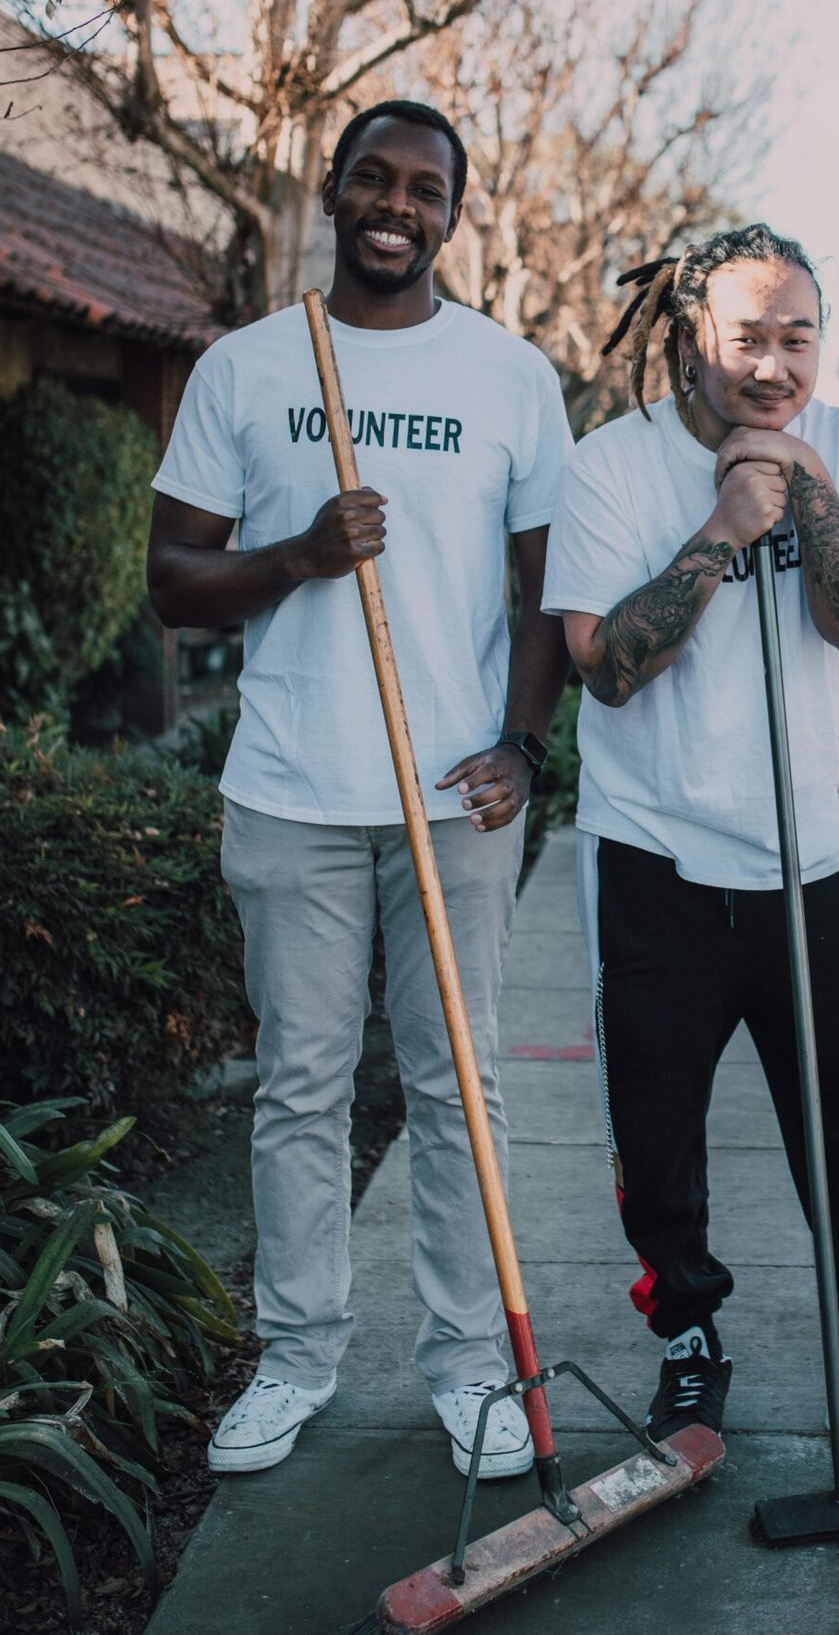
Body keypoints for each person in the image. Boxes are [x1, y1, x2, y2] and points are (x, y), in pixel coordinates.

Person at [147, 99, 573, 1481]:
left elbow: (539, 594)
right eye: (374, 180)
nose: (399, 205)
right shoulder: (253, 367)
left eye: (427, 189)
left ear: (455, 213)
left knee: (461, 1091)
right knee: (300, 1089)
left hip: (451, 799)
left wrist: (522, 749)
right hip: (291, 789)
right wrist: (297, 560)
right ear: (332, 191)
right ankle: (296, 1358)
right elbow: (171, 583)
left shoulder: (510, 377)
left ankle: (468, 1370)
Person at [540, 224, 839, 1476]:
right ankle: (689, 1342)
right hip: (654, 859)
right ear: (694, 338)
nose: (772, 364)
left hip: (812, 860)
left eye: (796, 336)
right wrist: (723, 531)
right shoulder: (608, 469)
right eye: (744, 336)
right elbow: (604, 670)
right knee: (658, 1136)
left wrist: (803, 485)